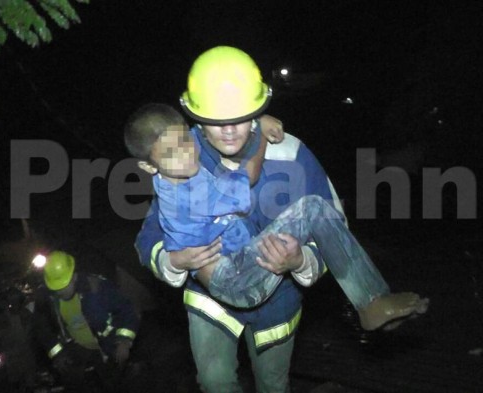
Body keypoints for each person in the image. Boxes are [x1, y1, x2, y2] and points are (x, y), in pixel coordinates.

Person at [133, 46, 428, 393]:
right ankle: (372, 301)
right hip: (210, 298)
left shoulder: (292, 153)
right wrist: (173, 260)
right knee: (214, 383)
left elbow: (335, 229)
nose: (228, 130)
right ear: (196, 117)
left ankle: (372, 302)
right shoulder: (179, 154)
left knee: (273, 385)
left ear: (259, 108)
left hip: (276, 303)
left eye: (242, 116)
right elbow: (150, 234)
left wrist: (300, 259)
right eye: (216, 120)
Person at [124, 102, 429, 320]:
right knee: (312, 208)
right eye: (170, 153)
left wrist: (254, 116)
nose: (186, 153)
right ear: (148, 166)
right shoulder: (185, 194)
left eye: (185, 142)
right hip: (231, 281)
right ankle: (371, 302)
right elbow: (249, 177)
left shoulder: (174, 164)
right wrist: (257, 134)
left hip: (243, 267)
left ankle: (374, 301)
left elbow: (206, 122)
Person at [33, 251, 140, 392]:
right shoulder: (48, 299)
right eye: (55, 288)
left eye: (63, 286)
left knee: (118, 385)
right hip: (79, 351)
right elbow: (42, 327)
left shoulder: (97, 287)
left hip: (109, 349)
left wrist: (124, 341)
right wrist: (58, 353)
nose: (60, 293)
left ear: (73, 276)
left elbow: (126, 310)